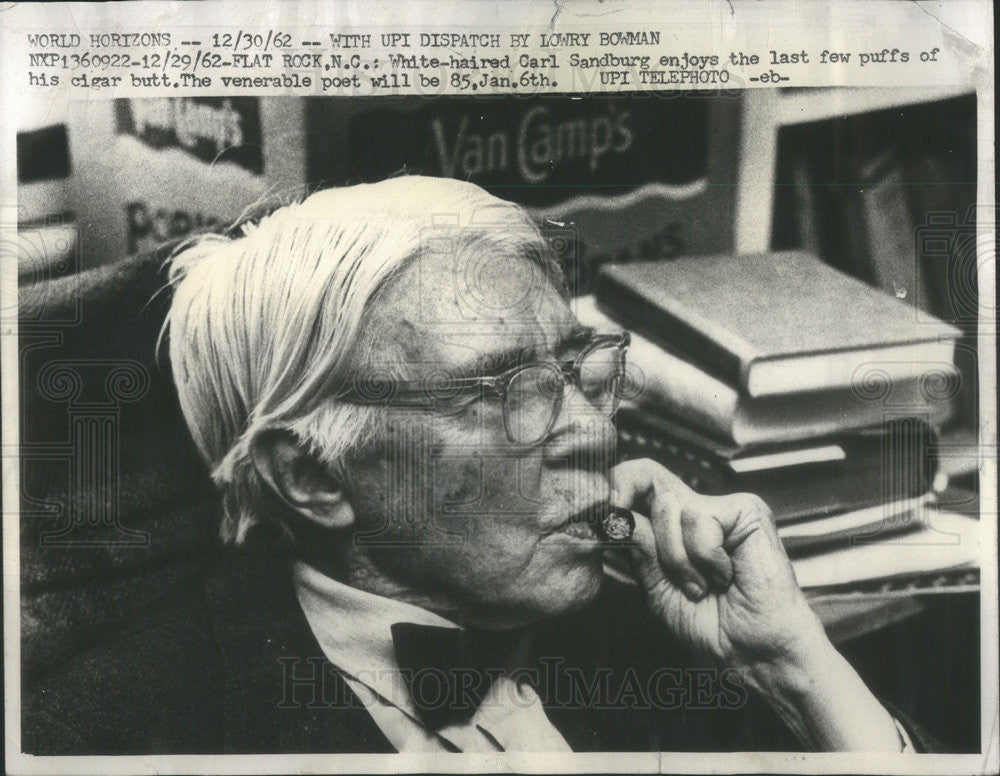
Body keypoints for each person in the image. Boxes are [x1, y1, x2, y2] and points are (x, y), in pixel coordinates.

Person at [23, 176, 933, 754]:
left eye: (579, 373)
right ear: (314, 476)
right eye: (499, 390)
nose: (594, 432)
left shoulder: (666, 634)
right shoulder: (109, 731)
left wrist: (793, 665)